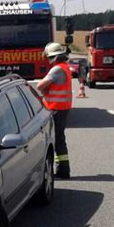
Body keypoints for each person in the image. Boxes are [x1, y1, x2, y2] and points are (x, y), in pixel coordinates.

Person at [37, 42, 73, 179]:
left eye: (48, 57)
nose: (47, 60)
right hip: (62, 109)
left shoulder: (56, 69)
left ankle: (62, 170)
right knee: (59, 139)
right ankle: (63, 169)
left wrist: (45, 90)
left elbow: (40, 86)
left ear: (52, 57)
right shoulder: (65, 67)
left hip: (56, 109)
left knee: (54, 139)